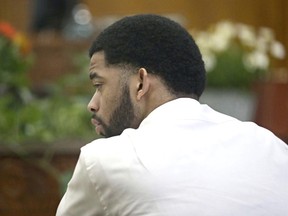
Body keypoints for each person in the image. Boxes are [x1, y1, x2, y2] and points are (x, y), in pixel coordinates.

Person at [56, 14, 288, 216]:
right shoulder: (272, 148)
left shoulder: (104, 160)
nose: (92, 104)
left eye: (99, 85)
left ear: (140, 83)